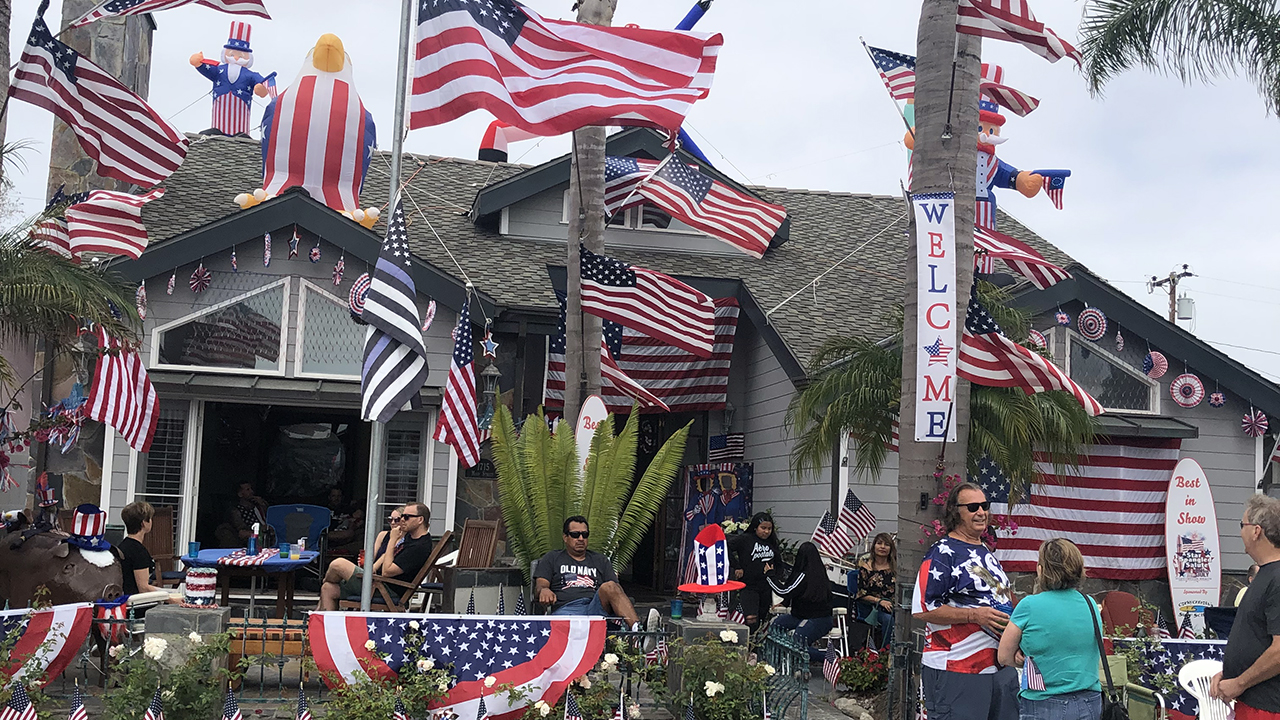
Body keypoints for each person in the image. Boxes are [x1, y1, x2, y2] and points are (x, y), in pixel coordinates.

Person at [912, 482, 1019, 720]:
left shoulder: (985, 551)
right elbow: (922, 608)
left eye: (984, 505)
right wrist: (974, 615)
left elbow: (1004, 596)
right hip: (957, 668)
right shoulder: (941, 553)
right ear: (955, 511)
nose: (981, 512)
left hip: (999, 668)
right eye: (972, 507)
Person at [998, 539, 1102, 720]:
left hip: (1045, 701)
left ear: (1042, 570)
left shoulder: (1029, 606)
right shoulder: (1090, 604)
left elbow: (1004, 656)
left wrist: (1025, 661)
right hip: (1090, 700)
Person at [1211, 495, 1280, 718]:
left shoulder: (1277, 578)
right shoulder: (1265, 574)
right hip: (1252, 702)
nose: (1240, 532)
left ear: (1256, 531)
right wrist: (1230, 674)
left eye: (1242, 525)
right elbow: (1258, 638)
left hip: (1267, 707)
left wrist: (1239, 682)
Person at [534, 516, 648, 630]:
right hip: (566, 610)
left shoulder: (600, 560)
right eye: (575, 534)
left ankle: (638, 631)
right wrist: (544, 590)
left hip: (595, 609)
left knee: (610, 586)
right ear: (565, 537)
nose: (581, 538)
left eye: (585, 534)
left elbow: (615, 590)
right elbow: (540, 585)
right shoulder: (552, 558)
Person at [318, 502, 434, 610]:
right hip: (378, 583)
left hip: (387, 589)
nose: (402, 520)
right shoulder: (410, 538)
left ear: (420, 520)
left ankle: (322, 584)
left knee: (338, 564)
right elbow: (386, 557)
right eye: (402, 516)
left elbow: (387, 572)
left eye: (406, 517)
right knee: (328, 588)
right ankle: (323, 623)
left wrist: (392, 540)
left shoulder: (419, 547)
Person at [767, 541, 834, 660]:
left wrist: (770, 575)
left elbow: (785, 591)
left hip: (818, 619)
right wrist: (785, 603)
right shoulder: (821, 573)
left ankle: (829, 659)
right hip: (800, 616)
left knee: (797, 641)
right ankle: (779, 658)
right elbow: (796, 592)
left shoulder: (803, 575)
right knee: (775, 625)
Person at [729, 512, 780, 633]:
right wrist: (737, 566)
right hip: (749, 585)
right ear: (755, 527)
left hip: (767, 586)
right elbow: (726, 547)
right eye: (763, 528)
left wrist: (777, 576)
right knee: (751, 618)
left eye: (769, 529)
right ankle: (748, 640)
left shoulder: (772, 541)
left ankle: (756, 642)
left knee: (762, 617)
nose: (766, 532)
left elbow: (778, 561)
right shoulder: (745, 539)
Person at [856, 533, 898, 650]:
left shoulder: (896, 568)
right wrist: (880, 601)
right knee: (888, 619)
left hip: (894, 607)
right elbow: (861, 594)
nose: (883, 547)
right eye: (879, 543)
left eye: (886, 544)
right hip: (873, 608)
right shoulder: (866, 568)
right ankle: (886, 652)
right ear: (874, 546)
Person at [117, 501, 167, 596]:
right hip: (135, 601)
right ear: (144, 523)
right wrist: (169, 597)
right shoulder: (138, 552)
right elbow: (143, 588)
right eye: (150, 519)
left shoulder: (122, 546)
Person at [214, 481, 269, 548]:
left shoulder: (257, 506)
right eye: (248, 490)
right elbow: (241, 529)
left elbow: (268, 517)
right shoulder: (236, 510)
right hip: (251, 534)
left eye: (251, 489)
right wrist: (256, 533)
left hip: (263, 531)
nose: (252, 492)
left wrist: (262, 504)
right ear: (240, 494)